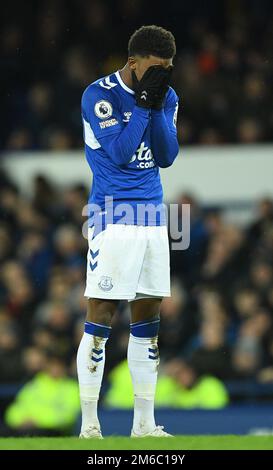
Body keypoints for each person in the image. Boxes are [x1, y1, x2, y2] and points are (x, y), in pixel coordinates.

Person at [77, 25, 179, 438]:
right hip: (112, 217)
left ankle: (144, 426)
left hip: (153, 218)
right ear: (133, 62)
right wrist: (141, 104)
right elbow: (119, 154)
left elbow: (167, 156)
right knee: (101, 317)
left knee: (149, 318)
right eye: (154, 69)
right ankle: (89, 426)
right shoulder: (98, 95)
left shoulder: (166, 97)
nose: (161, 78)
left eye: (167, 70)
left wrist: (153, 104)